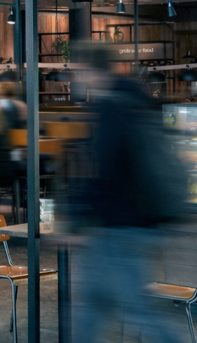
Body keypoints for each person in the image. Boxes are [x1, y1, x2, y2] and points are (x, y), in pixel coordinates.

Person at [69, 44, 186, 342]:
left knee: (135, 310)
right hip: (143, 218)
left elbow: (103, 167)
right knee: (96, 302)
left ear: (87, 69)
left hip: (119, 224)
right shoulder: (138, 99)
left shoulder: (110, 106)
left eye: (77, 71)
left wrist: (78, 219)